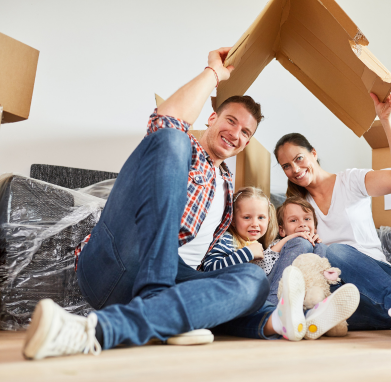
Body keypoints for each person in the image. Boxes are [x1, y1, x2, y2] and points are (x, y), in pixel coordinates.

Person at [23, 47, 303, 360]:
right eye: (230, 121)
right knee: (172, 138)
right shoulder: (184, 152)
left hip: (176, 281)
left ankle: (113, 327)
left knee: (254, 281)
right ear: (212, 118)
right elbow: (169, 122)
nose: (235, 133)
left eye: (245, 132)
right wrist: (214, 74)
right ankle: (159, 295)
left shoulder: (227, 190)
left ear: (247, 143)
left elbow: (210, 263)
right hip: (118, 266)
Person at [273, 93, 391, 336]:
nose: (295, 169)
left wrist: (386, 120)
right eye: (286, 166)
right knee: (322, 297)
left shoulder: (350, 181)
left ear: (313, 153)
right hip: (335, 285)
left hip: (375, 276)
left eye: (299, 158)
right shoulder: (299, 208)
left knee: (335, 250)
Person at [202, 187, 359, 340]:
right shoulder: (228, 240)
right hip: (247, 297)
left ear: (268, 220)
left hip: (262, 293)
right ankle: (279, 311)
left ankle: (312, 313)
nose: (255, 223)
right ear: (234, 221)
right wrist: (248, 253)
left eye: (261, 218)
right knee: (301, 244)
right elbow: (209, 268)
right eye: (247, 217)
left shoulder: (259, 243)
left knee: (319, 248)